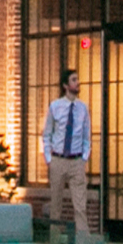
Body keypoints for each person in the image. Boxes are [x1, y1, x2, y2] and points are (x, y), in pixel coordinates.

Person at [41, 69, 93, 235]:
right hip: (58, 160)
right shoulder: (55, 107)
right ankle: (55, 241)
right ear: (65, 85)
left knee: (80, 205)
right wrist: (49, 158)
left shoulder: (83, 108)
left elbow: (86, 135)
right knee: (56, 205)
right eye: (73, 80)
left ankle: (83, 243)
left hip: (76, 161)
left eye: (77, 79)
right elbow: (47, 134)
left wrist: (84, 157)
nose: (77, 83)